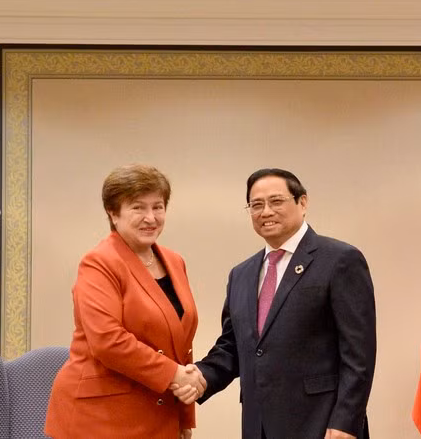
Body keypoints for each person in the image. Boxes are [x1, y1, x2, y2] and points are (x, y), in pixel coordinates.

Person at [181, 168, 377, 439]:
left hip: (322, 424)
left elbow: (359, 354)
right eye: (256, 205)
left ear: (302, 202)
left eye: (276, 201)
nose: (266, 212)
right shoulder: (241, 274)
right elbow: (233, 347)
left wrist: (346, 420)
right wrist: (201, 377)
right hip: (258, 425)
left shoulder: (340, 260)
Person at [45, 164, 203, 439]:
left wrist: (184, 415)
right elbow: (108, 340)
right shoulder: (99, 263)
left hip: (159, 411)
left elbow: (180, 343)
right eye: (138, 208)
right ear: (113, 212)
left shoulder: (175, 261)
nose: (150, 217)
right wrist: (175, 375)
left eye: (158, 207)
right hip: (100, 417)